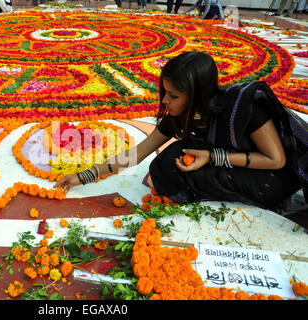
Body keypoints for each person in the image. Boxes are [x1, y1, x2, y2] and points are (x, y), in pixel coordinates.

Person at [54, 51, 308, 213]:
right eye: (164, 92)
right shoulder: (186, 113)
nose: (165, 101)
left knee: (176, 161)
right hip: (237, 168)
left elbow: (277, 159)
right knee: (167, 163)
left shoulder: (244, 106)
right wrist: (85, 176)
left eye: (173, 96)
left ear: (197, 96)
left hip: (272, 177)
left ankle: (262, 203)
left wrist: (213, 157)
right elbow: (139, 152)